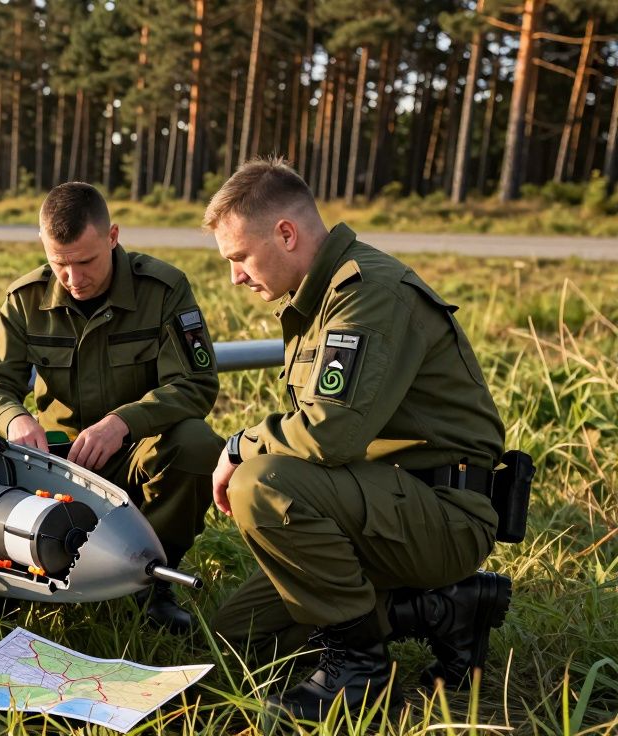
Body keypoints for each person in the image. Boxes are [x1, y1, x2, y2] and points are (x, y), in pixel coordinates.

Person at [205, 157, 512, 719]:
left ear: (287, 233)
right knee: (240, 636)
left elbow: (328, 433)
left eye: (240, 258)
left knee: (261, 484)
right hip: (384, 506)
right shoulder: (321, 295)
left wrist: (238, 445)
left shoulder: (367, 292)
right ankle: (446, 611)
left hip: (443, 514)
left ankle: (357, 670)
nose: (237, 277)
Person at [0, 182, 223, 633]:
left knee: (198, 445)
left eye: (86, 261)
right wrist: (15, 417)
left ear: (113, 236)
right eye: (58, 263)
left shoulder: (162, 289)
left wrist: (123, 423)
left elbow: (195, 384)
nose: (73, 278)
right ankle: (24, 577)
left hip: (136, 453)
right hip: (57, 463)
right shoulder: (26, 299)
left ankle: (149, 582)